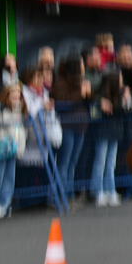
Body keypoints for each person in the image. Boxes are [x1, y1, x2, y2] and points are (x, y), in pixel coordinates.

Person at [52, 57, 92, 196]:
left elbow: (88, 102)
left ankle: (69, 193)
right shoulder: (61, 82)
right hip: (67, 126)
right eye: (81, 65)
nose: (83, 68)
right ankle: (61, 194)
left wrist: (89, 94)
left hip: (81, 126)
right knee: (64, 162)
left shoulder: (82, 82)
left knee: (73, 161)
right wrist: (80, 93)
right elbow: (63, 101)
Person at [0, 83, 26, 219]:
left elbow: (19, 129)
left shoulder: (18, 111)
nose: (16, 97)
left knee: (9, 177)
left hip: (13, 148)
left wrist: (18, 144)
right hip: (1, 149)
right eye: (13, 94)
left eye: (18, 95)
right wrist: (4, 138)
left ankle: (4, 204)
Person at [90, 72, 126, 207]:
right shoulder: (101, 95)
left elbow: (120, 109)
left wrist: (126, 99)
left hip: (115, 132)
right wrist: (100, 102)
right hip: (103, 132)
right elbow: (95, 100)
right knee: (100, 162)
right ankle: (98, 191)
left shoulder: (121, 95)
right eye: (120, 80)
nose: (122, 83)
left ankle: (110, 190)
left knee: (111, 163)